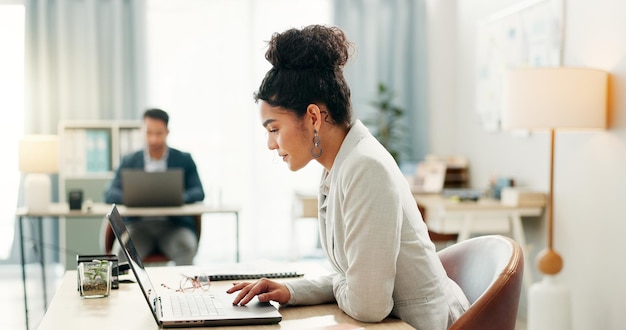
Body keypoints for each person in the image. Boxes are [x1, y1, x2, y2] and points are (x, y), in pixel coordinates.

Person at [226, 25, 469, 329]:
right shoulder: (340, 164)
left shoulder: (366, 167)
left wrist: (347, 284)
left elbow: (368, 305)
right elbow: (356, 280)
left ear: (314, 117)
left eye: (274, 129)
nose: (270, 144)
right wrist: (291, 291)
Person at [105, 108, 205, 265]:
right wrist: (134, 197)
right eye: (148, 133)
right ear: (141, 131)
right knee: (123, 251)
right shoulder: (129, 161)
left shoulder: (184, 160)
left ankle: (182, 289)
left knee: (186, 246)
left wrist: (176, 197)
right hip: (138, 227)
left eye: (159, 133)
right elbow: (109, 193)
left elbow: (198, 192)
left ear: (167, 132)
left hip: (174, 226)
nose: (153, 139)